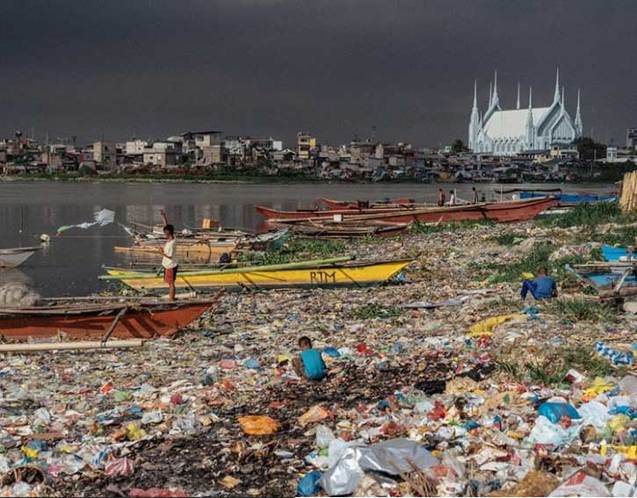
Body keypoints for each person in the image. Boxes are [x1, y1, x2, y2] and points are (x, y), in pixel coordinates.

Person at [157, 209, 178, 301]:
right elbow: (167, 226)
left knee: (171, 283)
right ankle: (171, 298)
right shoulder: (171, 238)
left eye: (165, 233)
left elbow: (169, 256)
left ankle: (171, 299)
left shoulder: (171, 243)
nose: (164, 234)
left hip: (170, 265)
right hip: (168, 265)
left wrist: (161, 253)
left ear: (168, 233)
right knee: (170, 283)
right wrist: (163, 216)